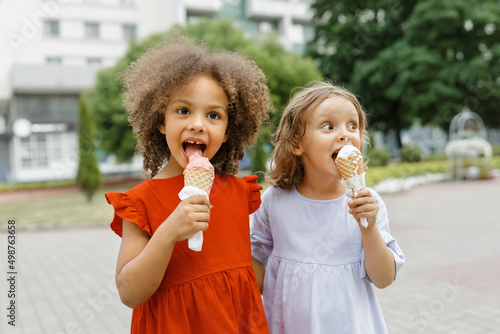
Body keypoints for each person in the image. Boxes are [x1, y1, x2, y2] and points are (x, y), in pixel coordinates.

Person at [105, 36, 272, 333]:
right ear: (161, 121)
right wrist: (169, 231)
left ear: (228, 131)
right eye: (183, 110)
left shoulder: (239, 193)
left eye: (213, 115)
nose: (198, 124)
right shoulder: (139, 203)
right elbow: (130, 293)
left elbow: (248, 277)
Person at [250, 81, 405, 333]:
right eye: (328, 126)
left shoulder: (369, 203)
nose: (345, 134)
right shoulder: (275, 201)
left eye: (352, 126)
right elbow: (256, 275)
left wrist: (368, 227)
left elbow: (384, 278)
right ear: (297, 144)